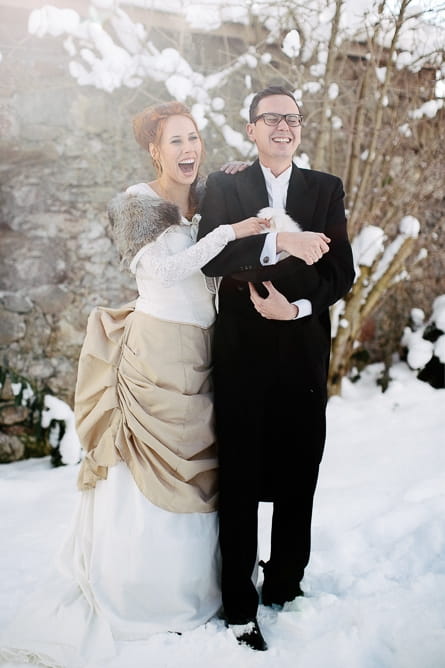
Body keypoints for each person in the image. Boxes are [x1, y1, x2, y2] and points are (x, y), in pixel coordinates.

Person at [0, 101, 266, 668]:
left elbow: (217, 260)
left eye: (193, 138)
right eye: (175, 141)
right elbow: (164, 271)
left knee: (200, 469)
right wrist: (229, 232)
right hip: (157, 348)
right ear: (154, 148)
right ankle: (139, 593)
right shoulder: (136, 202)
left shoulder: (201, 201)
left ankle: (195, 588)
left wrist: (236, 189)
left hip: (203, 350)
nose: (187, 149)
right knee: (145, 466)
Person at [197, 85, 356, 651]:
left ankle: (285, 583)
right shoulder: (226, 185)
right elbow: (211, 255)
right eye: (271, 118)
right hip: (241, 356)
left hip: (303, 353)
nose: (283, 127)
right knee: (238, 478)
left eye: (292, 118)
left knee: (299, 474)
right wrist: (276, 241)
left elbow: (342, 273)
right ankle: (239, 604)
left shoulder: (324, 189)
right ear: (252, 128)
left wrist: (296, 307)